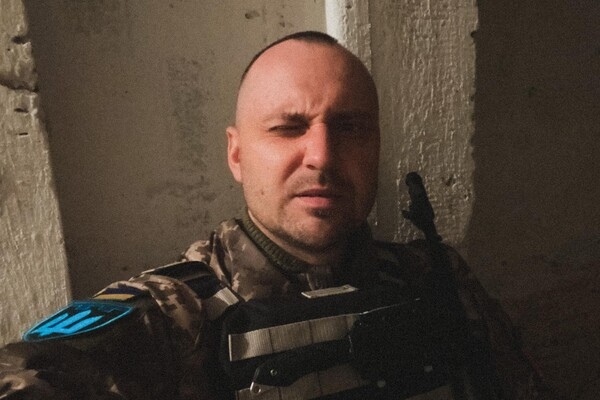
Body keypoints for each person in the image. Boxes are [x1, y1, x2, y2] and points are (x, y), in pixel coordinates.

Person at [0, 31, 550, 400]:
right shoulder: (168, 318)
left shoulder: (436, 276)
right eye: (289, 128)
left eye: (351, 128)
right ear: (237, 154)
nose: (322, 156)